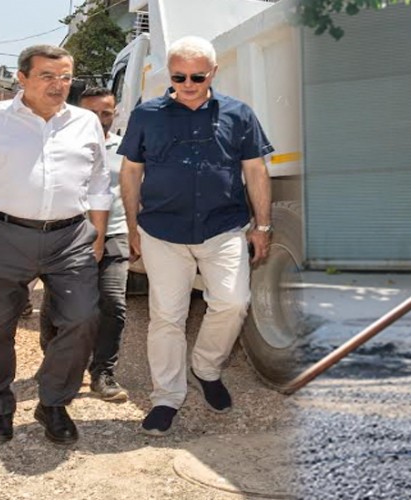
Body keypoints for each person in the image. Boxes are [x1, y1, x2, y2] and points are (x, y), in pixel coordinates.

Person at [119, 36, 274, 436]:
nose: (188, 83)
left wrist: (263, 225)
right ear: (170, 74)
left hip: (222, 228)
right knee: (167, 317)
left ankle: (206, 367)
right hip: (162, 231)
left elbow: (256, 171)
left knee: (233, 302)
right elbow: (131, 171)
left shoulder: (239, 115)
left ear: (213, 72)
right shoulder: (147, 115)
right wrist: (132, 226)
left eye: (197, 76)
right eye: (179, 76)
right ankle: (166, 397)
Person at [0, 45, 111, 445]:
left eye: (65, 78)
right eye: (47, 76)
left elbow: (98, 181)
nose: (58, 85)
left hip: (71, 237)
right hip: (1, 234)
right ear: (22, 78)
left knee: (82, 319)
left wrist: (96, 232)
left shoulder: (85, 122)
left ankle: (54, 403)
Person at [40, 87, 129, 401]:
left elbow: (136, 190)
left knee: (113, 303)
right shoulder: (61, 144)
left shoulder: (126, 147)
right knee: (58, 304)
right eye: (93, 112)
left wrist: (136, 230)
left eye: (106, 113)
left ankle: (103, 372)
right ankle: (55, 361)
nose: (100, 119)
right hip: (70, 235)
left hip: (115, 233)